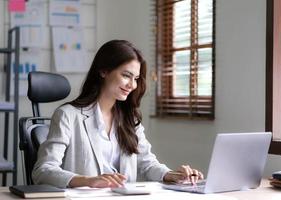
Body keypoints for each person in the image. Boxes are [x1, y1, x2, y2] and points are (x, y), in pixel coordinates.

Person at [32, 40, 203, 188]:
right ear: (104, 71)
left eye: (136, 78)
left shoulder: (130, 118)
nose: (132, 85)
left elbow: (146, 163)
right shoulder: (67, 115)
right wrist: (88, 181)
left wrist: (172, 175)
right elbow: (43, 170)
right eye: (126, 75)